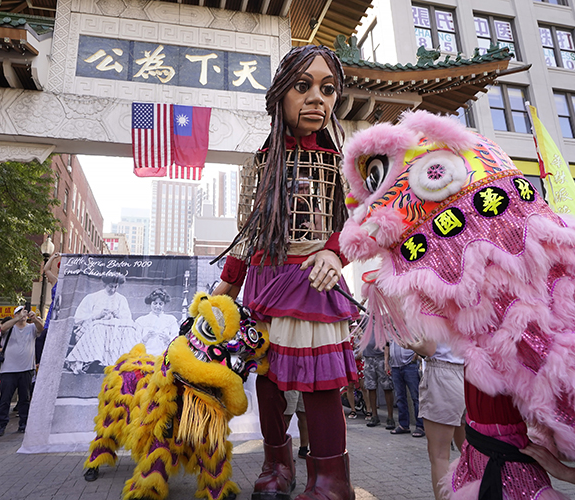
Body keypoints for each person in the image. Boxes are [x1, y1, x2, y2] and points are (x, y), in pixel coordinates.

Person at [213, 45, 357, 500]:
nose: (317, 98)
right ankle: (277, 465)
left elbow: (363, 220)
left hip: (315, 279)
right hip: (265, 279)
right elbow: (250, 234)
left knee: (320, 386)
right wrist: (225, 286)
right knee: (269, 382)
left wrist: (335, 253)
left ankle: (332, 480)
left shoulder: (345, 162)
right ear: (281, 96)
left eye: (328, 89)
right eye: (303, 86)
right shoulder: (263, 161)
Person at [407, 338, 465, 500]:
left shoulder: (432, 310)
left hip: (443, 373)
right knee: (470, 451)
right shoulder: (468, 310)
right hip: (471, 373)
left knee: (439, 455)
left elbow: (428, 348)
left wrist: (408, 343)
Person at [66, 273, 135, 373]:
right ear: (104, 285)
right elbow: (78, 319)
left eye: (115, 287)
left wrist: (118, 315)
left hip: (114, 331)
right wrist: (98, 315)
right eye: (110, 286)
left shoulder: (121, 299)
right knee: (99, 327)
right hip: (93, 329)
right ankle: (94, 361)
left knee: (127, 329)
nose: (113, 290)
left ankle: (115, 363)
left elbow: (128, 319)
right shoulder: (92, 297)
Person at [0, 305, 43, 437]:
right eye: (19, 312)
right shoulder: (10, 328)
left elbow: (41, 328)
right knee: (5, 399)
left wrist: (34, 318)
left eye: (24, 312)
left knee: (24, 398)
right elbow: (2, 328)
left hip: (26, 369)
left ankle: (23, 423)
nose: (23, 314)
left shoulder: (31, 328)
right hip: (8, 370)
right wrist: (17, 318)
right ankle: (1, 425)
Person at [385, 340, 423, 437]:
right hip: (395, 366)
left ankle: (420, 426)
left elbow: (420, 341)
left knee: (416, 397)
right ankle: (403, 424)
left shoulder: (410, 327)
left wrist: (415, 356)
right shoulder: (389, 330)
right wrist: (386, 362)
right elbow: (387, 345)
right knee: (400, 397)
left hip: (409, 365)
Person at [361, 335, 395, 429]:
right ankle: (374, 415)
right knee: (370, 387)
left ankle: (390, 417)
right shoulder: (365, 321)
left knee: (387, 386)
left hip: (381, 356)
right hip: (368, 357)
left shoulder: (384, 321)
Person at [134, 288, 179, 356]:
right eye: (155, 303)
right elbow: (135, 342)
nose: (157, 306)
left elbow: (177, 341)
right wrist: (146, 337)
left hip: (164, 356)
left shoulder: (171, 320)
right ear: (150, 303)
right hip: (146, 356)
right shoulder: (141, 321)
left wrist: (168, 339)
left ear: (164, 304)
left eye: (160, 304)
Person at [283, 390, 309, 458]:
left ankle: (304, 449)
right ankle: (280, 451)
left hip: (304, 383)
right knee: (286, 416)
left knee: (304, 415)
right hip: (289, 383)